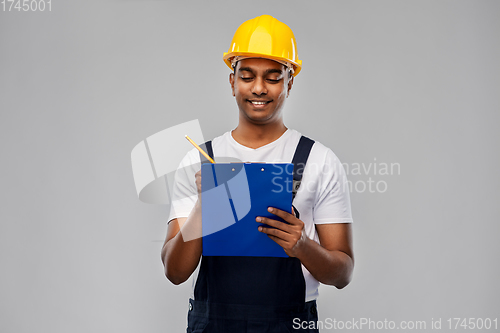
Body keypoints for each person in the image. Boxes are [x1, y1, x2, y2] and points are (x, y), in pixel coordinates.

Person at [161, 14, 354, 333]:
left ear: (289, 82)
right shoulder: (199, 161)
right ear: (232, 81)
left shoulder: (319, 160)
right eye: (247, 76)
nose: (259, 88)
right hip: (213, 324)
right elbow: (175, 272)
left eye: (273, 77)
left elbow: (343, 274)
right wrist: (203, 207)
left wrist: (302, 245)